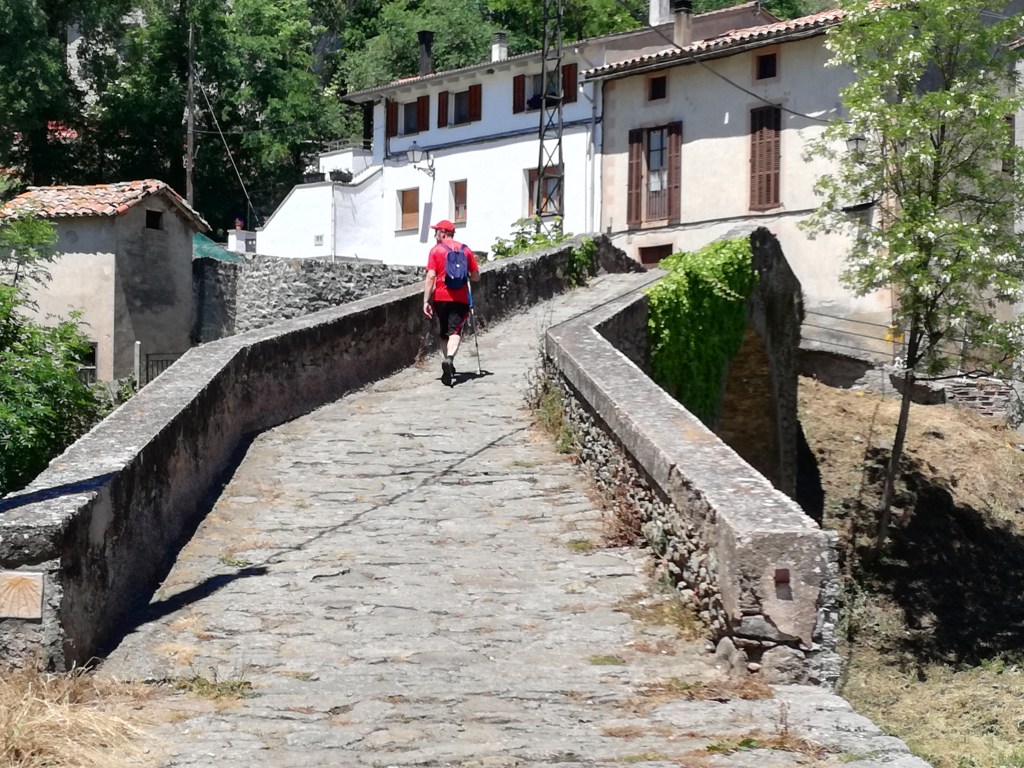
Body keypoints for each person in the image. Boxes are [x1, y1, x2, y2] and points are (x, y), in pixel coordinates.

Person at [423, 219, 480, 386]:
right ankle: (449, 359)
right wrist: (466, 275)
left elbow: (430, 277)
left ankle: (448, 363)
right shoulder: (466, 250)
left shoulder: (436, 250)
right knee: (455, 331)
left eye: (436, 232)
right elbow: (476, 276)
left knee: (443, 333)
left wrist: (426, 300)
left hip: (440, 297)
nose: (435, 235)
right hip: (460, 297)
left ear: (442, 233)